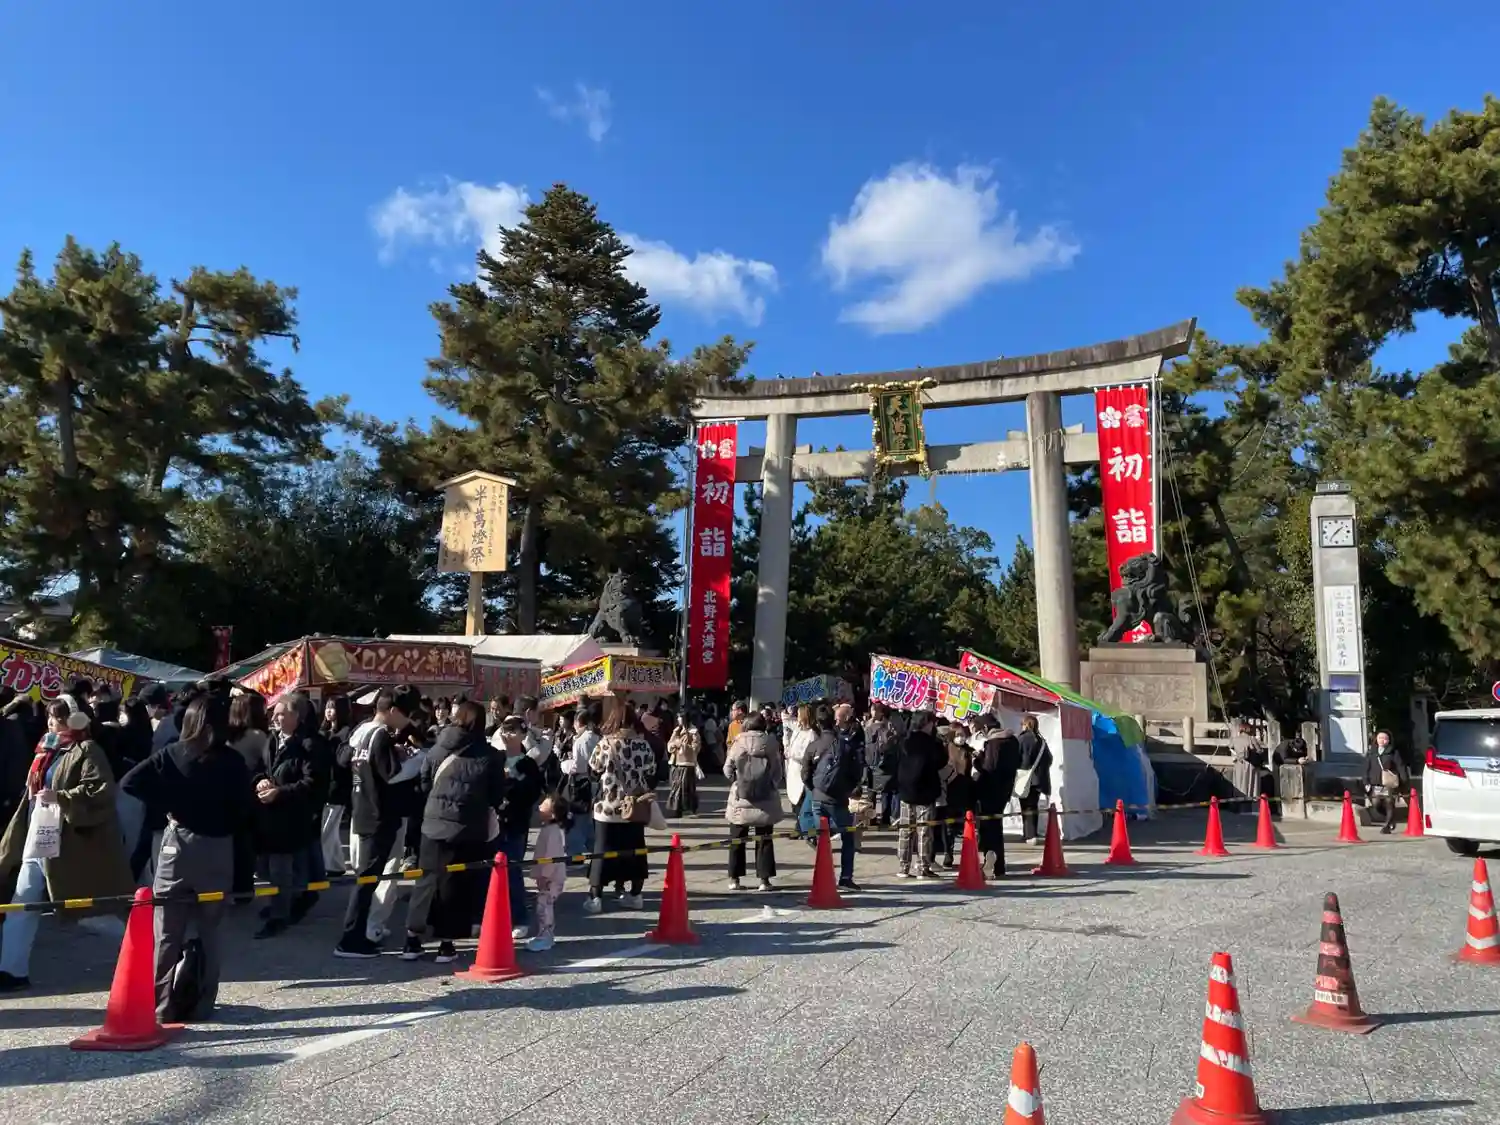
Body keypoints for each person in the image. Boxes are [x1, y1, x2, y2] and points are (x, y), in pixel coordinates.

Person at [120, 694, 255, 1021]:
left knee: (167, 933)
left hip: (178, 846)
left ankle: (161, 1006)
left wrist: (169, 805)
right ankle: (204, 1003)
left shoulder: (174, 753)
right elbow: (245, 814)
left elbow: (130, 782)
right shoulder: (234, 761)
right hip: (218, 849)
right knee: (211, 932)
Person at [0, 703, 133, 992]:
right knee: (23, 901)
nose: (51, 722)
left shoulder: (88, 750)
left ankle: (145, 950)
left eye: (57, 717)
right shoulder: (47, 749)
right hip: (39, 830)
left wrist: (61, 796)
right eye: (50, 716)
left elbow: (100, 790)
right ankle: (11, 970)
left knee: (95, 909)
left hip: (71, 840)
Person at [402, 699, 509, 964]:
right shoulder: (490, 755)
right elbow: (496, 796)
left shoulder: (438, 747)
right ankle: (446, 944)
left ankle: (412, 940)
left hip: (432, 823)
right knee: (455, 883)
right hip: (466, 826)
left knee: (426, 881)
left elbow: (424, 782)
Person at [334, 693, 407, 958]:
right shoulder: (380, 735)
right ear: (393, 711)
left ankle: (356, 933)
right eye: (405, 715)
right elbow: (392, 774)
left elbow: (342, 760)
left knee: (366, 878)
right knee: (367, 881)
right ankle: (350, 939)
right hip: (378, 814)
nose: (406, 721)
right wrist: (414, 761)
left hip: (361, 808)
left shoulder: (361, 731)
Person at [252, 697, 318, 939]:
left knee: (282, 868)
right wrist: (260, 780)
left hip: (292, 816)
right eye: (275, 713)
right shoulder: (272, 740)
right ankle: (288, 901)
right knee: (267, 867)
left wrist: (280, 792)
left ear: (295, 716)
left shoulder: (307, 745)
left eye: (281, 713)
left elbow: (312, 783)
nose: (275, 718)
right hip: (268, 815)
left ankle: (280, 915)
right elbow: (260, 768)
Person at [584, 704, 657, 914]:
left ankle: (596, 897)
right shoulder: (642, 745)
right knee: (635, 850)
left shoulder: (605, 743)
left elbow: (594, 768)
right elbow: (652, 770)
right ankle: (635, 895)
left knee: (602, 851)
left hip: (608, 807)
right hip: (634, 807)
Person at [494, 715, 543, 941]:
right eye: (505, 729)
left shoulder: (528, 763)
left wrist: (511, 785)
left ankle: (520, 918)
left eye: (514, 730)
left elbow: (532, 793)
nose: (508, 734)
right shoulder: (496, 759)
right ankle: (492, 916)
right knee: (491, 872)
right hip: (493, 823)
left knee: (513, 871)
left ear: (523, 734)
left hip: (515, 824)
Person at [806, 703, 865, 892]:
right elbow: (856, 771)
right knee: (848, 836)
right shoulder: (844, 745)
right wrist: (847, 789)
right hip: (838, 798)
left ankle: (823, 877)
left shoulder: (813, 745)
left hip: (818, 797)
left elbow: (805, 773)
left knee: (822, 838)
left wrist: (814, 788)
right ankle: (846, 877)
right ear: (834, 721)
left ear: (817, 723)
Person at [723, 712, 785, 891]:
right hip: (765, 798)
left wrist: (738, 781)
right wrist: (771, 784)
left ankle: (734, 879)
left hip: (741, 797)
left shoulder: (738, 742)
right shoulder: (770, 743)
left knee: (737, 838)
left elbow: (727, 769)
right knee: (765, 839)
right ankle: (764, 880)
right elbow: (777, 771)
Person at [895, 711, 946, 879]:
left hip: (906, 791)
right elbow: (941, 761)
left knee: (905, 830)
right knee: (924, 831)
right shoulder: (932, 743)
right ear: (927, 723)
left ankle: (903, 867)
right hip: (925, 791)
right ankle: (923, 867)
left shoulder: (904, 740)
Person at [970, 716, 1019, 877]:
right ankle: (999, 866)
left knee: (989, 828)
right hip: (1005, 789)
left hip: (990, 791)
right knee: (996, 826)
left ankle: (991, 863)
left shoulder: (993, 743)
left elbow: (989, 768)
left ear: (986, 728)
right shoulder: (1013, 741)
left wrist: (977, 761)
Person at [560, 705, 600, 862]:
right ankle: (596, 853)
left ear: (578, 722)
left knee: (576, 821)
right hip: (595, 783)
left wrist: (565, 765)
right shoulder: (597, 738)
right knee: (589, 822)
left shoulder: (581, 741)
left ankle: (574, 855)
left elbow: (578, 765)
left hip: (581, 783)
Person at [320, 695, 355, 875]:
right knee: (329, 830)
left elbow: (344, 762)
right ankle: (336, 865)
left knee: (327, 829)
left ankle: (329, 865)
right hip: (325, 786)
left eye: (332, 707)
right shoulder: (324, 732)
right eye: (327, 707)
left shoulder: (347, 733)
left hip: (338, 787)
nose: (328, 711)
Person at [528, 794, 568, 952]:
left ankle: (546, 937)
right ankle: (544, 934)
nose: (539, 807)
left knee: (544, 907)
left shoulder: (552, 831)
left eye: (543, 805)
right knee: (545, 905)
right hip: (549, 876)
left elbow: (552, 856)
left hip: (550, 877)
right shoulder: (550, 829)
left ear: (552, 814)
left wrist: (545, 875)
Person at [936, 724, 974, 868]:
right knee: (948, 826)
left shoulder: (969, 751)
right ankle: (948, 853)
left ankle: (967, 854)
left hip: (965, 790)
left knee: (964, 825)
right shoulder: (946, 750)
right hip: (949, 790)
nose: (961, 738)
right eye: (958, 735)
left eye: (963, 735)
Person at [863, 702, 901, 827]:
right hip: (880, 766)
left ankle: (876, 818)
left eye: (874, 710)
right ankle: (880, 818)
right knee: (882, 793)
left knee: (877, 794)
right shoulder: (886, 727)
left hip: (878, 765)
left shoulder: (879, 727)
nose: (872, 712)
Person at [1016, 714, 1053, 844]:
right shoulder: (1041, 741)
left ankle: (1029, 834)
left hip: (1024, 778)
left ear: (1026, 725)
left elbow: (1016, 757)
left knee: (1025, 806)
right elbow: (1049, 759)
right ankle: (1031, 833)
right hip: (1038, 779)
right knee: (1033, 806)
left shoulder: (1021, 739)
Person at [1364, 729, 1408, 834]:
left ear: (1389, 740)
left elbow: (1401, 767)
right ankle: (1391, 818)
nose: (1382, 740)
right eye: (1380, 738)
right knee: (1376, 804)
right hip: (1375, 784)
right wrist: (1366, 781)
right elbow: (1366, 768)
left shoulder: (1393, 752)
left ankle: (1387, 826)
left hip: (1389, 783)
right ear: (1376, 739)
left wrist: (1404, 780)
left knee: (1389, 803)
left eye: (1385, 738)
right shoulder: (1371, 752)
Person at [666, 713, 703, 817]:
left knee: (685, 787)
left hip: (686, 762)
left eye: (680, 717)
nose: (678, 719)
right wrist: (674, 744)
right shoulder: (676, 730)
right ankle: (676, 808)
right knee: (675, 786)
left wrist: (684, 746)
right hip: (675, 762)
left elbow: (696, 747)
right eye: (678, 717)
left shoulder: (693, 732)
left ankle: (687, 808)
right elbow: (669, 744)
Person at [1229, 722, 1267, 812]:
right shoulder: (1251, 739)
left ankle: (1238, 805)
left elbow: (1230, 747)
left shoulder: (1235, 739)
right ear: (1247, 729)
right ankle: (1251, 806)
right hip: (1250, 765)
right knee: (1251, 784)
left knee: (1239, 783)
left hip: (1239, 764)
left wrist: (1237, 755)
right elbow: (1260, 751)